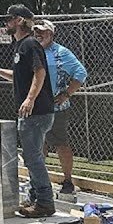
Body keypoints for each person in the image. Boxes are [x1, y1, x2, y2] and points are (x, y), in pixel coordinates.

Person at [0, 4, 56, 217]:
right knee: (33, 156)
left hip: (36, 112)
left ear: (20, 20)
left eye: (9, 19)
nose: (6, 23)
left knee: (32, 158)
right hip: (34, 112)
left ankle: (45, 202)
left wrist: (30, 99)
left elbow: (39, 73)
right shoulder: (21, 45)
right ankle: (34, 199)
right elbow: (20, 76)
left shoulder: (30, 44)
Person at [32, 21, 87, 196]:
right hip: (36, 107)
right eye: (36, 32)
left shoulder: (61, 53)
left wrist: (66, 94)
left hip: (56, 109)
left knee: (61, 144)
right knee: (38, 145)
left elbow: (80, 73)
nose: (39, 35)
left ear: (51, 34)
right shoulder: (32, 50)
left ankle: (68, 180)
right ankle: (40, 182)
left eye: (43, 32)